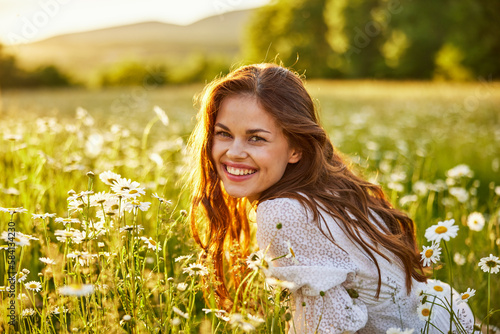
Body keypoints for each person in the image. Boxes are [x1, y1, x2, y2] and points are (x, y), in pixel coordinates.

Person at [188, 63, 474, 333]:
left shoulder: (283, 212)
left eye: (256, 138)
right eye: (223, 134)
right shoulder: (325, 188)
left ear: (295, 150)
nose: (235, 152)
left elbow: (324, 326)